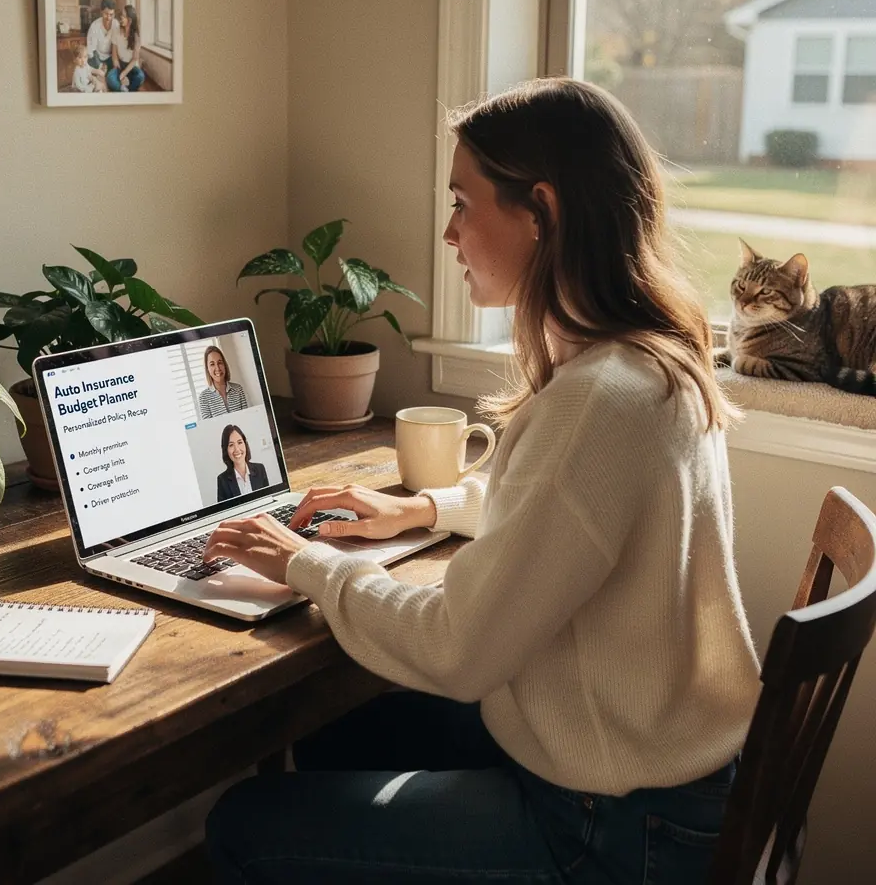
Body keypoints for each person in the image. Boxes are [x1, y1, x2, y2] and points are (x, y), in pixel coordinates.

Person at [202, 78, 761, 884]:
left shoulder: (598, 405)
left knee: (245, 825)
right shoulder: (646, 361)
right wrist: (423, 507)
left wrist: (305, 562)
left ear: (540, 211)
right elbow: (575, 521)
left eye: (463, 203)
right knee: (341, 733)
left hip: (608, 826)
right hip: (654, 774)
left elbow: (458, 649)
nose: (448, 230)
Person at [216, 425, 269, 502]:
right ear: (226, 450)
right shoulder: (222, 480)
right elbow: (223, 511)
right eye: (231, 445)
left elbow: (268, 499)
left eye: (240, 442)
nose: (237, 449)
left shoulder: (260, 469)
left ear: (245, 444)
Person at [197, 346, 248, 419]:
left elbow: (247, 419)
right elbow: (209, 429)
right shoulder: (203, 398)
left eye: (220, 363)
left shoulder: (238, 389)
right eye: (212, 364)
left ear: (224, 365)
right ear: (207, 369)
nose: (217, 368)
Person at [106, 4, 146, 92]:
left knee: (140, 77)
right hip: (120, 65)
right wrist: (117, 65)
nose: (121, 17)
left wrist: (123, 74)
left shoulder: (137, 37)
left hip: (131, 67)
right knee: (109, 78)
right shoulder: (116, 31)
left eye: (123, 16)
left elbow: (135, 59)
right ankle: (124, 89)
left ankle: (124, 89)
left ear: (130, 20)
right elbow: (114, 54)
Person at [86, 0, 118, 76]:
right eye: (106, 14)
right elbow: (91, 50)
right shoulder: (95, 25)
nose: (109, 18)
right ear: (101, 12)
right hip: (96, 57)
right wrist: (100, 66)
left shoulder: (116, 24)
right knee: (90, 64)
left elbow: (116, 47)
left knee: (113, 72)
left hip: (110, 57)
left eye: (111, 14)